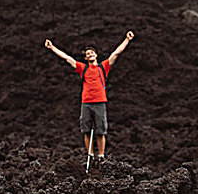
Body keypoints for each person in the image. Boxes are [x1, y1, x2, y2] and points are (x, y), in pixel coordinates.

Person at [44, 31, 135, 163]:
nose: (90, 54)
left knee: (100, 131)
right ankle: (90, 154)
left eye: (91, 52)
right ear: (86, 58)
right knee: (86, 130)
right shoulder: (83, 68)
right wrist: (52, 47)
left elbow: (116, 53)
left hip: (100, 102)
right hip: (86, 103)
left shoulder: (103, 67)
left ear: (96, 55)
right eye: (87, 54)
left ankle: (101, 156)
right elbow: (67, 58)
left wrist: (127, 39)